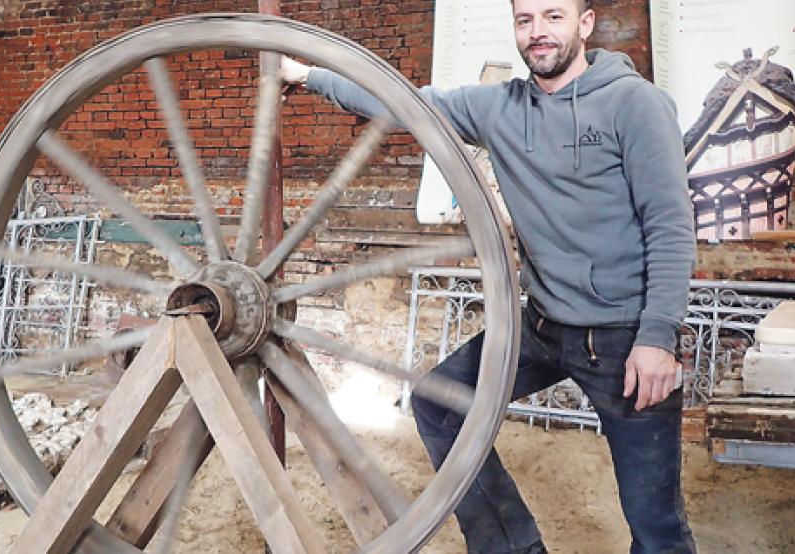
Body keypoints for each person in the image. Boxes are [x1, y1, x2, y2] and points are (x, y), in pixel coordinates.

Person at [280, 0, 697, 552]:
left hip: (622, 338)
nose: (538, 33)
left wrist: (657, 338)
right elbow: (402, 103)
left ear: (585, 24)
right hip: (543, 327)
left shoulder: (635, 105)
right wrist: (307, 75)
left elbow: (670, 226)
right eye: (525, 21)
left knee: (656, 525)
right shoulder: (498, 109)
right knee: (438, 401)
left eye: (554, 17)